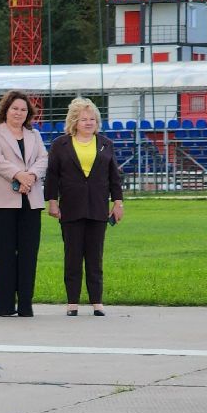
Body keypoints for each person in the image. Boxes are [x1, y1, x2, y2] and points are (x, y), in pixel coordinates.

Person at [43, 96, 124, 316]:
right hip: (70, 208)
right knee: (73, 257)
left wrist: (118, 202)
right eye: (83, 119)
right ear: (74, 122)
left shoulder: (106, 143)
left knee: (95, 257)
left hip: (98, 208)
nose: (88, 123)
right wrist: (52, 201)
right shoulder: (60, 144)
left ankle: (97, 302)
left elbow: (113, 176)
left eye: (92, 119)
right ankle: (72, 303)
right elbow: (52, 175)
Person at [0, 90, 48, 317]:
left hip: (31, 199)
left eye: (23, 109)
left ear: (28, 112)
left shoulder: (34, 135)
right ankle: (4, 305)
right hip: (3, 202)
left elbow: (43, 159)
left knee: (29, 253)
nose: (19, 112)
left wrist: (30, 177)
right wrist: (19, 175)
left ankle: (26, 305)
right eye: (14, 108)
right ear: (6, 110)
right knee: (3, 254)